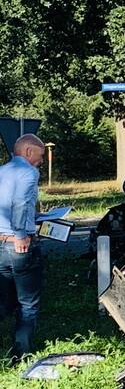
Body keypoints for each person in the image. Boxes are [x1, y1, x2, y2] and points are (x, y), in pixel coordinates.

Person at [0, 134, 45, 359]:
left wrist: (35, 215)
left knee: (4, 299)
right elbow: (19, 203)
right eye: (40, 154)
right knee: (28, 303)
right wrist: (20, 235)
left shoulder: (2, 171)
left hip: (0, 244)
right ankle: (21, 352)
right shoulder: (28, 172)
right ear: (28, 151)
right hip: (20, 246)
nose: (42, 160)